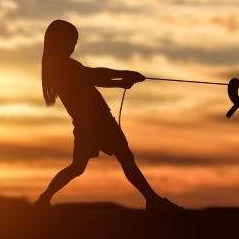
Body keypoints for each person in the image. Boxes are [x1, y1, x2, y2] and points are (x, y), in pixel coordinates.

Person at [35, 19, 181, 211]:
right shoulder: (65, 67)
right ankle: (153, 201)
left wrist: (122, 81)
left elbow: (93, 78)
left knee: (78, 167)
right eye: (72, 41)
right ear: (59, 41)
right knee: (125, 159)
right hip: (98, 122)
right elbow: (94, 75)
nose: (74, 45)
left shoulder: (60, 67)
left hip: (86, 124)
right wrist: (124, 75)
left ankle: (43, 199)